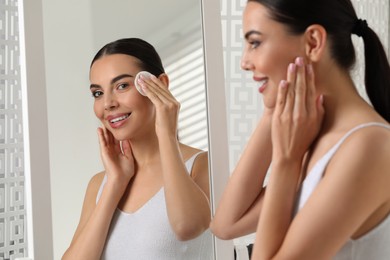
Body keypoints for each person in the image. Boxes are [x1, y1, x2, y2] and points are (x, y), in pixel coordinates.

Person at [210, 0, 390, 259]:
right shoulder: (311, 137)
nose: (245, 62)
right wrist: (273, 111)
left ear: (313, 42)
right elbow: (226, 225)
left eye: (255, 43)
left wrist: (286, 161)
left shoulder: (369, 147)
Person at [62, 38, 213, 260]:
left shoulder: (203, 165)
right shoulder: (100, 184)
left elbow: (186, 226)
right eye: (98, 93)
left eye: (122, 86)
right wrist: (115, 184)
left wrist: (166, 134)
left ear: (159, 84)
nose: (108, 103)